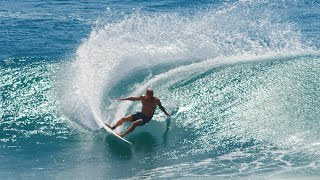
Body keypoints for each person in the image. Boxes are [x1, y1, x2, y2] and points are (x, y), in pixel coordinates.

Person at [106, 88, 170, 137]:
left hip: (147, 118)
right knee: (124, 118)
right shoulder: (142, 97)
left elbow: (161, 107)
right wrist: (124, 99)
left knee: (135, 123)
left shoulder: (156, 100)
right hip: (140, 114)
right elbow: (133, 98)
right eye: (149, 95)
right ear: (146, 94)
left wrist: (166, 113)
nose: (151, 96)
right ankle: (113, 128)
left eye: (152, 94)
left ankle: (122, 135)